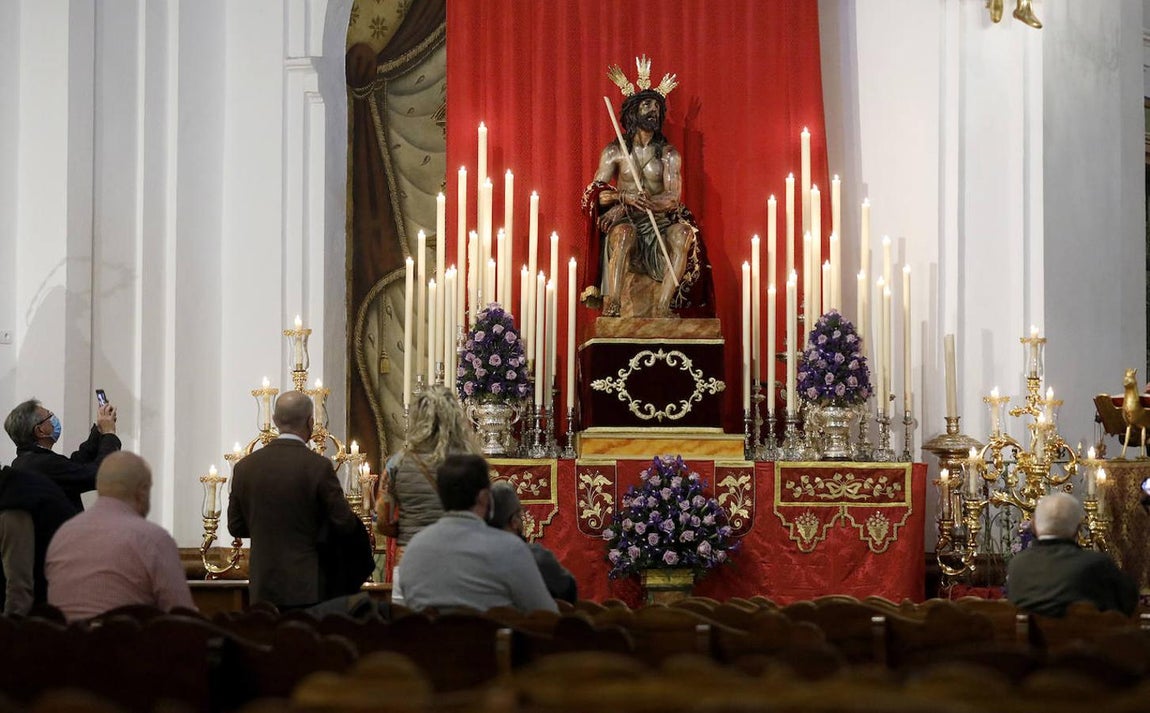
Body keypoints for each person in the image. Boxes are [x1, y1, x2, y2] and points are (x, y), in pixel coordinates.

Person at [581, 55, 713, 319]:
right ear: (633, 112)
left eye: (657, 106)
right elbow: (596, 194)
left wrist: (646, 203)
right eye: (647, 105)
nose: (653, 110)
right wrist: (625, 198)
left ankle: (664, 304)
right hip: (627, 221)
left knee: (685, 234)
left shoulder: (668, 154)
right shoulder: (615, 152)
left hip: (660, 223)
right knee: (622, 235)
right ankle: (614, 305)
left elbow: (672, 198)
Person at [228, 390, 373, 609]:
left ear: (275, 421)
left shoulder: (244, 467)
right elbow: (343, 522)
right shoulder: (318, 466)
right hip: (306, 586)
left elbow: (236, 526)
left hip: (262, 587)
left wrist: (266, 527)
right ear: (311, 422)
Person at [397, 454, 558, 613]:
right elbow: (546, 616)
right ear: (484, 497)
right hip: (491, 638)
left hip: (428, 638)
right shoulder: (509, 548)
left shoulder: (413, 549)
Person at [44, 451, 194, 621]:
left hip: (67, 644)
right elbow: (181, 615)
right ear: (142, 491)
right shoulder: (152, 539)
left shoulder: (63, 535)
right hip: (128, 644)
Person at [375, 385, 482, 552]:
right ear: (455, 418)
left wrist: (409, 530)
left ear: (417, 419)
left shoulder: (397, 463)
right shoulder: (469, 462)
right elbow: (482, 513)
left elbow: (381, 521)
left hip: (411, 555)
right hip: (457, 555)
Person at [1006, 491, 1137, 617]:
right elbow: (1128, 604)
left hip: (1030, 640)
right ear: (1078, 529)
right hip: (1084, 639)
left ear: (1033, 526)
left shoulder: (1018, 564)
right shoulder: (1096, 564)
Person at [5, 398, 121, 511]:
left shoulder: (27, 461)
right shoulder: (42, 464)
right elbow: (97, 475)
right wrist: (109, 434)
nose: (53, 417)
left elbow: (75, 465)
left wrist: (100, 430)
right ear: (40, 431)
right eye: (49, 416)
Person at [0, 465, 77, 615]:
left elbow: (19, 591)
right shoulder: (18, 485)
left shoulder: (12, 506)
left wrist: (8, 631)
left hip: (53, 614)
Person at [488, 480, 577, 604]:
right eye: (520, 515)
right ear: (514, 521)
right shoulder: (536, 557)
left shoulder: (471, 557)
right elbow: (568, 590)